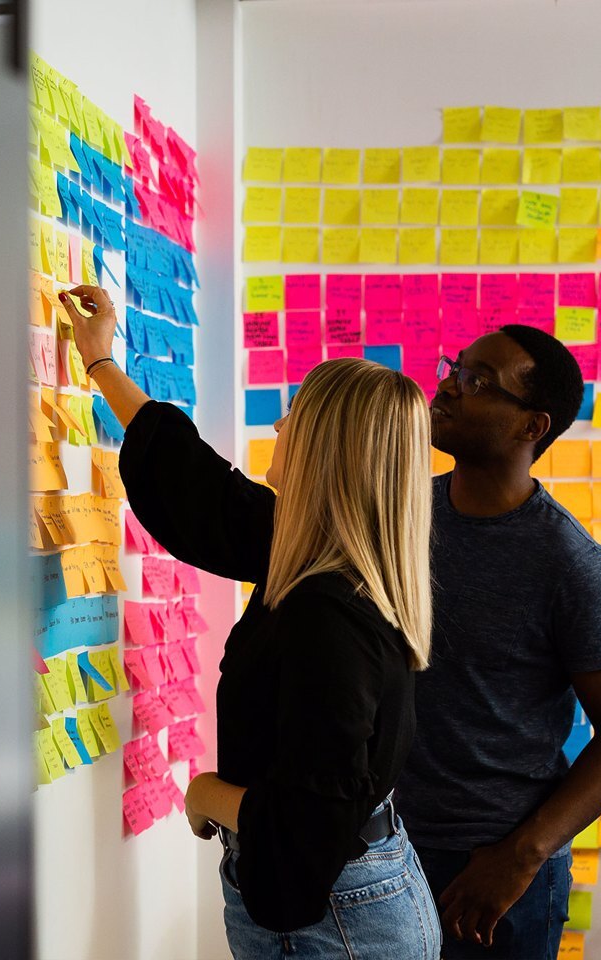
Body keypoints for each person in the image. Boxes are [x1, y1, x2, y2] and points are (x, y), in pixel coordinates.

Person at [60, 284, 442, 960]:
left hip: (339, 922)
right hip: (355, 899)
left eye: (292, 414)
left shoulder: (328, 615)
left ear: (326, 449)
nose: (278, 427)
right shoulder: (327, 555)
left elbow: (309, 824)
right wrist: (101, 365)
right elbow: (200, 489)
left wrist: (208, 793)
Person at [394, 324, 601, 959]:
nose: (449, 389)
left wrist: (521, 857)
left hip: (491, 868)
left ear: (530, 427)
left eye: (479, 382)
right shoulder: (403, 512)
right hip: (386, 847)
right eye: (455, 369)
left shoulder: (569, 563)